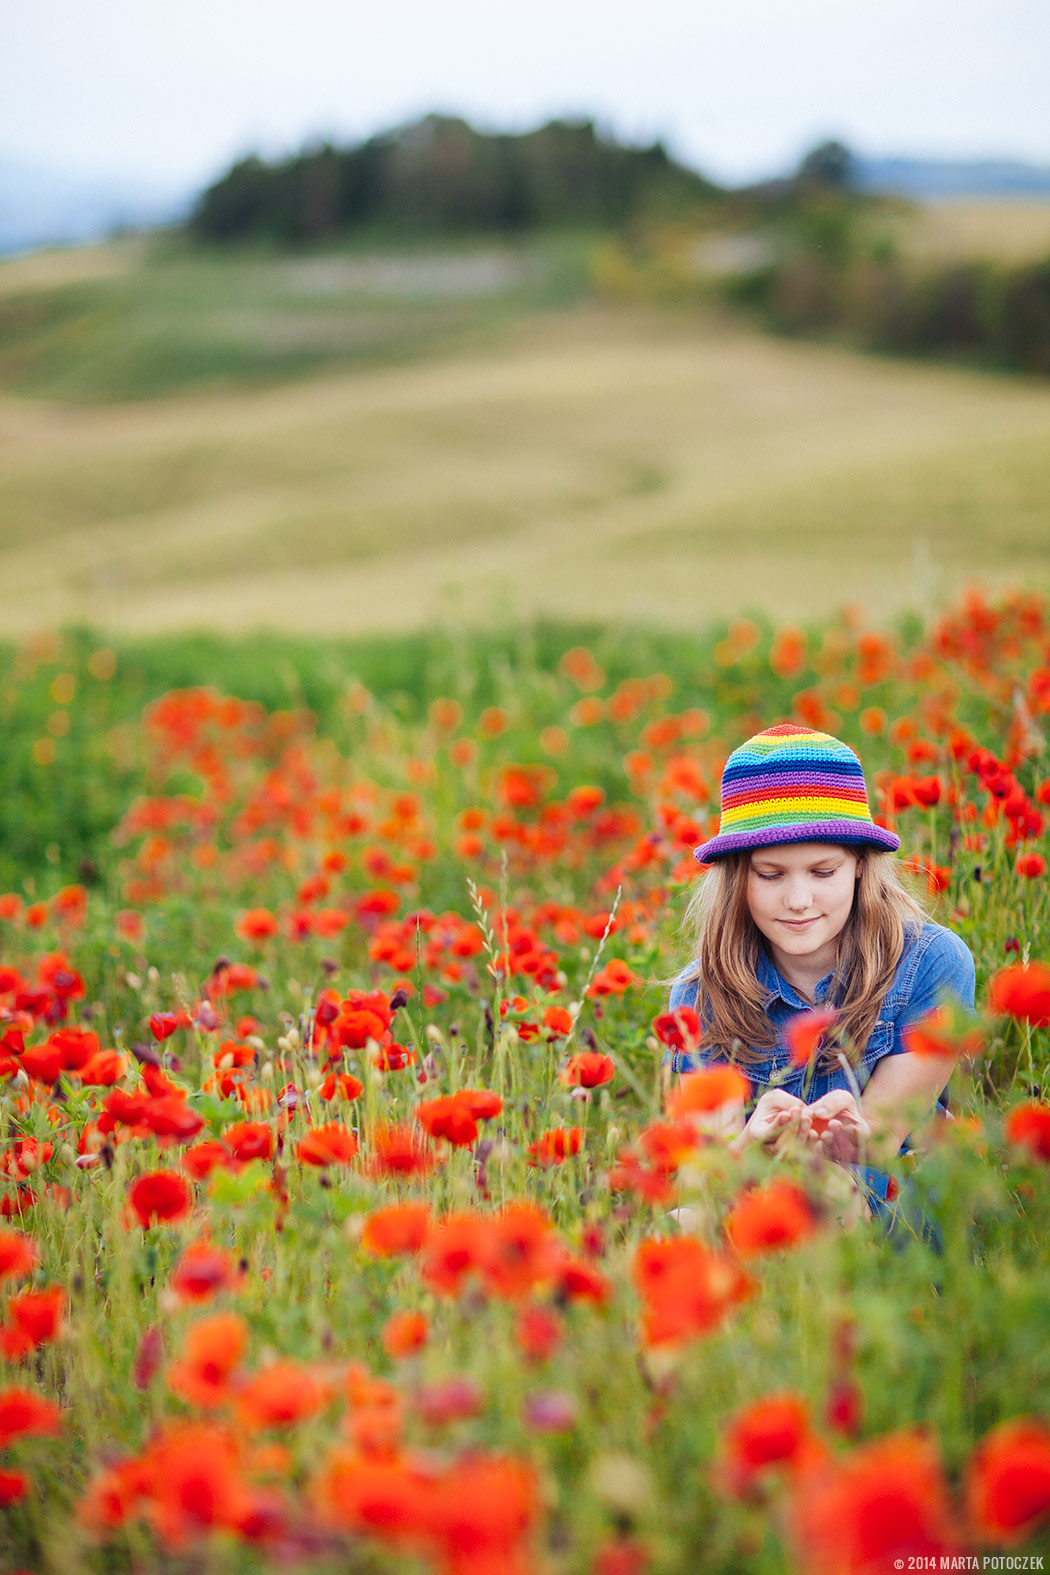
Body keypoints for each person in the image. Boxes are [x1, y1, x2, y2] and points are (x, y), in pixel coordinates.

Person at [665, 723, 975, 1218]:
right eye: (770, 875)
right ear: (736, 877)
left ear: (859, 863)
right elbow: (702, 1183)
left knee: (832, 1196)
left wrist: (850, 1137)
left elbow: (882, 1144)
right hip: (763, 1216)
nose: (798, 901)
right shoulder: (701, 993)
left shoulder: (931, 963)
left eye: (823, 872)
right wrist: (753, 1141)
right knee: (682, 1223)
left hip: (893, 1218)